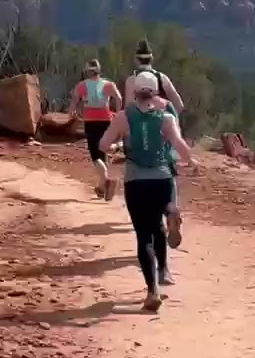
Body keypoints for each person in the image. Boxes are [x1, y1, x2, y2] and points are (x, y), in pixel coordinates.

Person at [99, 71, 194, 312]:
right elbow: (182, 149)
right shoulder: (165, 118)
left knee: (144, 236)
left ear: (134, 91)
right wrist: (190, 161)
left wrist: (119, 145)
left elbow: (102, 145)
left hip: (136, 181)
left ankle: (152, 291)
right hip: (162, 178)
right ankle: (171, 211)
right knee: (159, 223)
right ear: (155, 92)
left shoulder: (122, 117)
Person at [122, 39, 187, 247]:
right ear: (152, 58)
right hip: (164, 130)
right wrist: (171, 122)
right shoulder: (162, 78)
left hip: (140, 134)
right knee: (168, 171)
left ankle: (152, 225)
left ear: (135, 58)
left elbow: (127, 110)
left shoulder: (131, 81)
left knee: (143, 176)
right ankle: (173, 212)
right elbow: (179, 104)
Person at [70, 59, 123, 200]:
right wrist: (117, 113)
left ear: (87, 71)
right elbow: (118, 97)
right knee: (102, 151)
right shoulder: (108, 84)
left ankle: (106, 180)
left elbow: (75, 99)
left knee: (95, 155)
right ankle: (101, 188)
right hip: (106, 119)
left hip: (91, 120)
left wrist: (72, 111)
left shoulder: (82, 85)